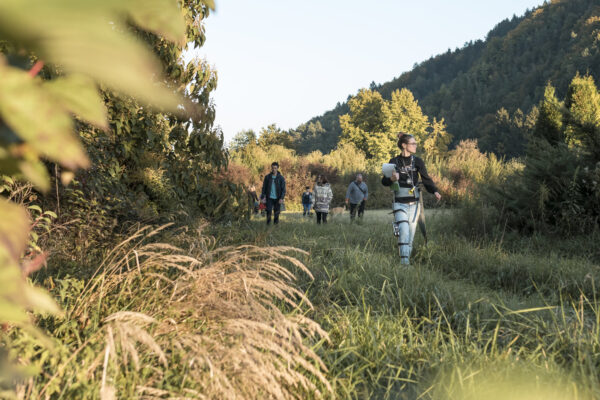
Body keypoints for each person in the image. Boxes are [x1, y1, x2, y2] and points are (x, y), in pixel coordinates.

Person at [381, 133, 441, 265]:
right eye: (413, 143)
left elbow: (426, 179)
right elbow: (384, 182)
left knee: (410, 237)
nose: (415, 146)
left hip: (414, 204)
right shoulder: (393, 162)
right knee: (403, 229)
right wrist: (391, 179)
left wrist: (435, 191)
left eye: (415, 143)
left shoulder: (418, 161)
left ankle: (405, 261)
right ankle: (404, 265)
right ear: (404, 145)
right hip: (399, 203)